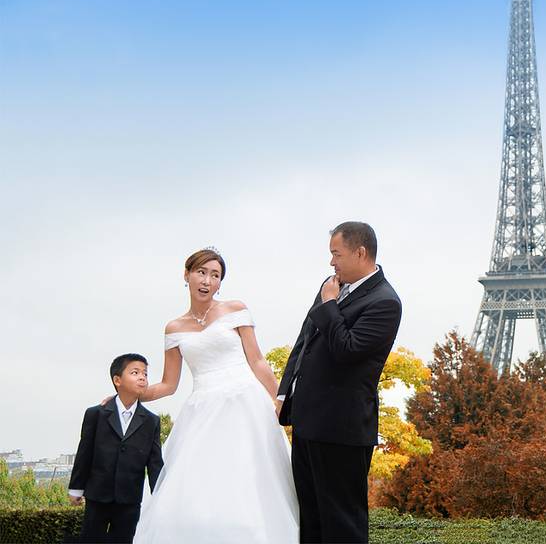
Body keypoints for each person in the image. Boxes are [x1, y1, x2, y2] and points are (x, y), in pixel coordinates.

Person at [132, 248, 298, 543]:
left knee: (248, 481)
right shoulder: (174, 328)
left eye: (215, 275)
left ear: (220, 282)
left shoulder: (235, 310)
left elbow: (258, 361)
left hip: (246, 404)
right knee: (197, 488)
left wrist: (283, 402)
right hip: (202, 409)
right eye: (201, 272)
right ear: (187, 275)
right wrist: (130, 395)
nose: (207, 280)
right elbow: (168, 384)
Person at [277, 221, 402, 544]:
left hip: (342, 430)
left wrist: (330, 304)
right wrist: (283, 393)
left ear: (361, 253)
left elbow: (347, 350)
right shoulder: (330, 285)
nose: (331, 262)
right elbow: (305, 341)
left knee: (342, 523)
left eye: (337, 254)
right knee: (311, 519)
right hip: (307, 424)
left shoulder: (385, 302)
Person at [68, 354, 164, 543]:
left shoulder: (152, 421)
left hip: (130, 498)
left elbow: (154, 463)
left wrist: (159, 494)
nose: (142, 377)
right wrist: (76, 488)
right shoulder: (96, 414)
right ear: (117, 380)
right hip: (97, 496)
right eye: (135, 372)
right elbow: (84, 452)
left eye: (145, 373)